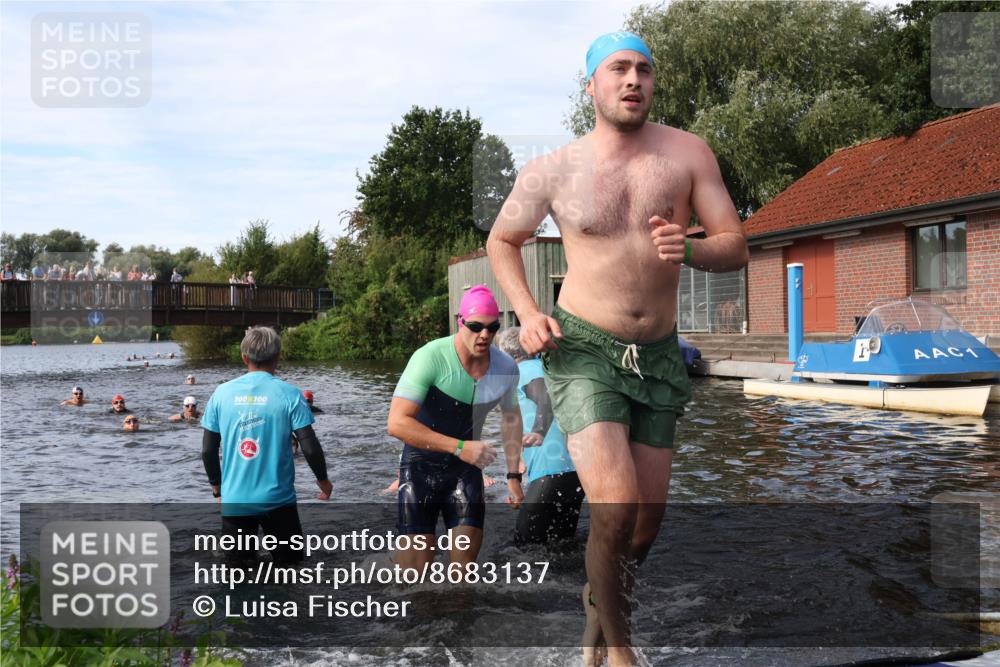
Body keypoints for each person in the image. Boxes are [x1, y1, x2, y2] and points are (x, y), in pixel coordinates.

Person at [486, 31, 749, 667]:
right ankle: (623, 656)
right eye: (619, 69)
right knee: (615, 505)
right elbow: (502, 241)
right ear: (592, 87)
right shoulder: (552, 170)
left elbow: (734, 244)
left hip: (657, 355)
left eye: (644, 70)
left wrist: (687, 247)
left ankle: (598, 616)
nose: (634, 80)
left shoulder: (687, 154)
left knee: (644, 526)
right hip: (583, 348)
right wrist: (526, 312)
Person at [387, 284, 525, 572]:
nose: (485, 335)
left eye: (492, 327)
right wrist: (459, 447)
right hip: (419, 468)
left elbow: (511, 418)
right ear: (459, 322)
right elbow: (397, 423)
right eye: (475, 327)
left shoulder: (506, 367)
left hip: (465, 473)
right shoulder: (431, 357)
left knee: (462, 579)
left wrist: (513, 474)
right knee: (412, 581)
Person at [201, 326, 332, 564]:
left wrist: (217, 488)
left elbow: (208, 450)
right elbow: (309, 446)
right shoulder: (290, 394)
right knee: (290, 569)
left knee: (237, 576)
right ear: (278, 356)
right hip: (278, 502)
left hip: (235, 501)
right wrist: (323, 481)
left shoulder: (220, 394)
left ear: (244, 358)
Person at [496, 328, 585, 547]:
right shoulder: (548, 369)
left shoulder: (523, 371)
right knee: (562, 547)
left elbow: (544, 396)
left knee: (522, 548)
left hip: (551, 469)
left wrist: (538, 430)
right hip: (576, 470)